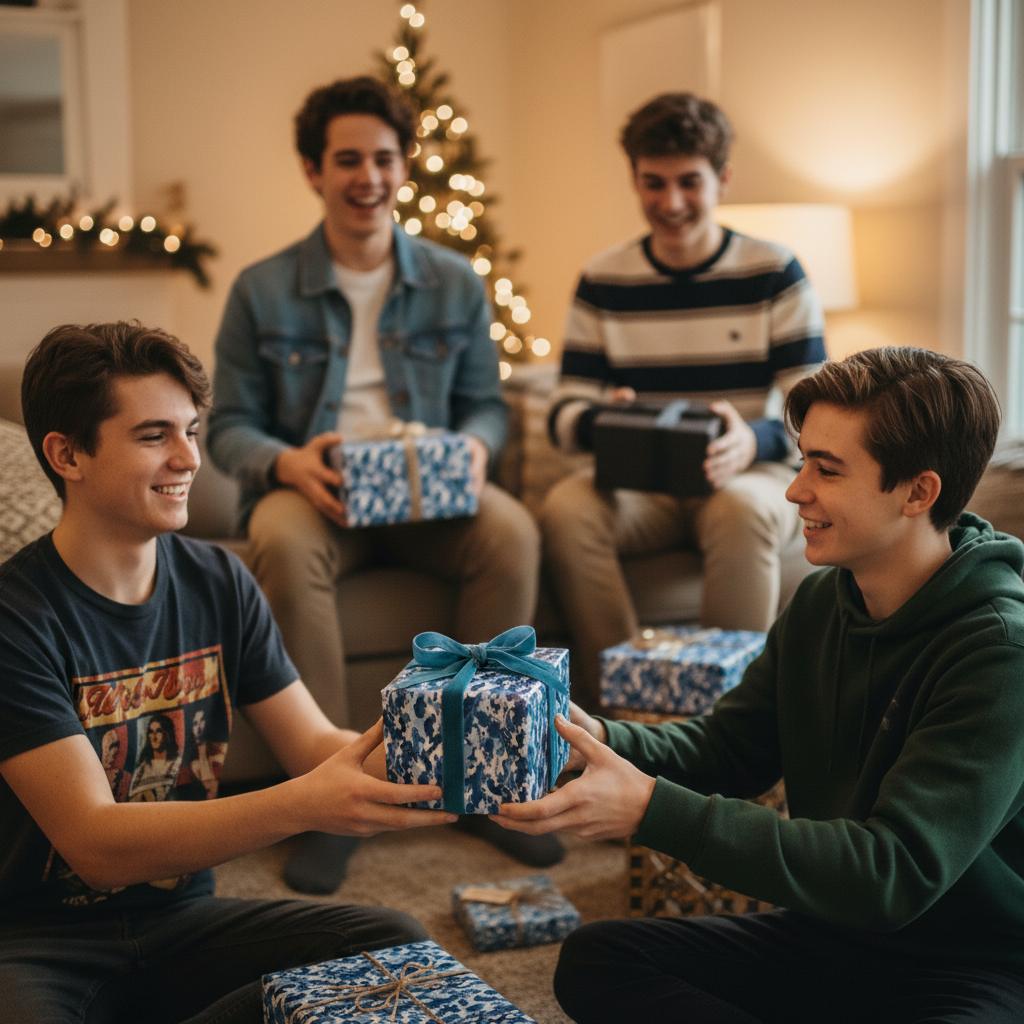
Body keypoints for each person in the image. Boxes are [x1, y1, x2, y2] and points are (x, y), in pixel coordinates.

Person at [498, 346, 1024, 1024]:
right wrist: (596, 737)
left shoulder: (999, 651)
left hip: (967, 964)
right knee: (600, 959)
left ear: (918, 493)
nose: (795, 489)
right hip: (827, 934)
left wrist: (649, 809)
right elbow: (729, 749)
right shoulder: (818, 602)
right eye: (803, 459)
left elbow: (889, 874)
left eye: (826, 469)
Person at [0, 321, 454, 1024]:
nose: (189, 458)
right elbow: (94, 845)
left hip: (185, 924)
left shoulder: (220, 579)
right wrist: (303, 804)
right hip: (36, 944)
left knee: (397, 954)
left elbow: (312, 744)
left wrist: (449, 756)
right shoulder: (15, 617)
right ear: (67, 454)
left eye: (191, 430)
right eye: (154, 436)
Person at [207, 75, 553, 892]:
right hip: (317, 494)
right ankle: (334, 794)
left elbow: (485, 407)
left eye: (384, 159)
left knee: (512, 530)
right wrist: (287, 463)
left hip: (428, 497)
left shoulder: (452, 280)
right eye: (347, 159)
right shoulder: (261, 288)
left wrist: (474, 446)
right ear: (312, 170)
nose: (368, 176)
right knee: (282, 543)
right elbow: (226, 430)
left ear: (405, 166)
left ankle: (489, 785)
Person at [540, 92, 827, 709]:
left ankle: (732, 724)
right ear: (634, 180)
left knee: (740, 511)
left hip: (748, 476)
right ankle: (623, 714)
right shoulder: (603, 279)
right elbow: (562, 415)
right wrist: (603, 420)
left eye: (688, 182)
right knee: (566, 507)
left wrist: (752, 438)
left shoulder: (777, 272)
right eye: (653, 183)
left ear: (722, 179)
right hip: (641, 488)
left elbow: (817, 412)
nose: (670, 203)